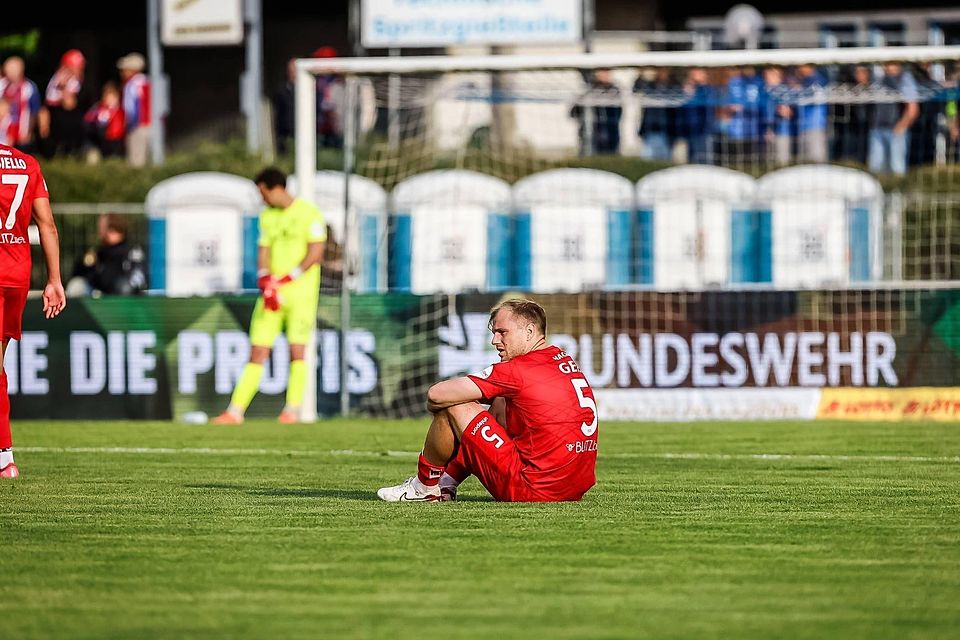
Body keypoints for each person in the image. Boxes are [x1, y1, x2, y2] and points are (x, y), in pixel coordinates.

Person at [377, 299, 598, 503]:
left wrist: (438, 408)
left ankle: (424, 488)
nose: (495, 340)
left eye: (503, 332)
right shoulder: (564, 360)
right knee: (501, 400)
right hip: (572, 489)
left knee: (454, 405)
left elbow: (437, 394)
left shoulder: (516, 370)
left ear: (530, 331)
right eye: (494, 333)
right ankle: (446, 483)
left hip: (532, 488)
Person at [213, 167, 326, 425]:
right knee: (257, 351)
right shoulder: (267, 217)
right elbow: (263, 250)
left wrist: (290, 277)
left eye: (262, 192)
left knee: (297, 350)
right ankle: (235, 411)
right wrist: (265, 276)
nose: (261, 198)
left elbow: (316, 251)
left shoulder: (309, 213)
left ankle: (292, 410)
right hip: (271, 295)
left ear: (275, 188)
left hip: (301, 295)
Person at [0, 142, 67, 478]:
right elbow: (48, 225)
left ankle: (4, 458)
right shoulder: (26, 162)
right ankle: (5, 459)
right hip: (15, 275)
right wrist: (54, 279)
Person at [66, 213, 146, 296]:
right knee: (76, 285)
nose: (101, 232)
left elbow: (137, 278)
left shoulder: (132, 251)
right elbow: (79, 273)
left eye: (103, 228)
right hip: (98, 292)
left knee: (124, 287)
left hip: (121, 296)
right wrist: (86, 264)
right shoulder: (98, 252)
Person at [868, 62, 919, 176]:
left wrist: (901, 126)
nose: (887, 66)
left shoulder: (904, 79)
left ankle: (898, 193)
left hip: (895, 131)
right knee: (876, 168)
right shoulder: (880, 78)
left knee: (897, 167)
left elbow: (913, 108)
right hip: (877, 129)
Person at [39, 48, 91, 158]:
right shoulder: (54, 79)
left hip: (71, 122)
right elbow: (47, 102)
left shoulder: (81, 83)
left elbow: (69, 104)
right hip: (55, 118)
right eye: (77, 66)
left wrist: (63, 87)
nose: (80, 69)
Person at [570, 68, 622, 156]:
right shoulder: (587, 91)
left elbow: (619, 112)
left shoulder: (614, 91)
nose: (605, 75)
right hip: (590, 136)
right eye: (602, 72)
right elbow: (573, 113)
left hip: (610, 135)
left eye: (607, 72)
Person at [116, 53, 151, 167]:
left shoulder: (131, 84)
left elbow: (131, 109)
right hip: (151, 126)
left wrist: (128, 125)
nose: (122, 73)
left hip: (137, 126)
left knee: (136, 163)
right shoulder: (147, 81)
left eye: (124, 69)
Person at [0, 56, 41, 152]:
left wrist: (29, 131)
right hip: (4, 130)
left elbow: (34, 111)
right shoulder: (2, 85)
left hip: (22, 128)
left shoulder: (29, 87)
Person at [83, 82, 126, 161]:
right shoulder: (98, 108)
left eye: (113, 97)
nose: (110, 100)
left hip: (118, 141)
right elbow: (88, 120)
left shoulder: (121, 109)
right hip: (103, 140)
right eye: (107, 96)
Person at [273, 57, 297, 156]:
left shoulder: (311, 89)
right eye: (291, 70)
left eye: (295, 70)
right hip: (286, 134)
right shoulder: (281, 91)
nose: (293, 73)